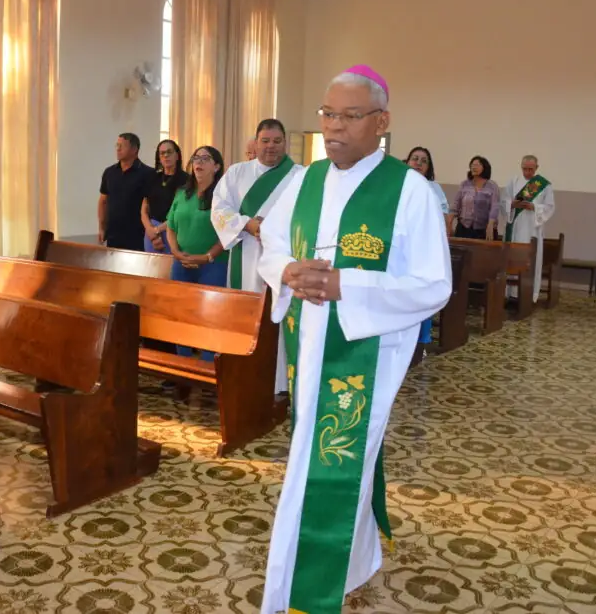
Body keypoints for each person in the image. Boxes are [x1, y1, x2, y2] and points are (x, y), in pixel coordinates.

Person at [257, 65, 451, 614]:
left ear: (381, 122)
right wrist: (288, 270)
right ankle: (359, 555)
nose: (333, 127)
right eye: (327, 114)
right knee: (333, 455)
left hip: (368, 345)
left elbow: (434, 283)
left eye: (349, 116)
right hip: (307, 341)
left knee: (328, 458)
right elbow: (271, 242)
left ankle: (302, 586)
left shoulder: (410, 189)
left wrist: (349, 285)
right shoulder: (305, 179)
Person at [212, 118, 301, 395]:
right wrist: (248, 225)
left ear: (285, 143)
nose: (271, 147)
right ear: (256, 142)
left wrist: (272, 228)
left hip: (283, 261)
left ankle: (278, 383)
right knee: (244, 318)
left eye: (277, 141)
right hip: (244, 255)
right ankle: (243, 377)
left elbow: (309, 216)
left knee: (277, 316)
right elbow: (219, 209)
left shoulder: (301, 175)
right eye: (265, 141)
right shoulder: (237, 173)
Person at [166, 145, 229, 360]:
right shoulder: (183, 193)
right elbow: (171, 226)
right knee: (180, 317)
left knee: (209, 318)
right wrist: (175, 251)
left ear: (217, 166)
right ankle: (182, 367)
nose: (199, 162)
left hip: (213, 265)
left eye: (205, 158)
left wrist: (207, 256)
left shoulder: (223, 196)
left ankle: (209, 370)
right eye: (196, 158)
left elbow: (227, 232)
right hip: (181, 263)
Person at [405, 146, 449, 359]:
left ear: (429, 166)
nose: (419, 163)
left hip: (424, 249)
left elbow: (443, 218)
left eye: (424, 160)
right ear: (407, 161)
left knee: (422, 293)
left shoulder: (433, 188)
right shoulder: (398, 184)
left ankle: (421, 343)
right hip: (402, 250)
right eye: (415, 159)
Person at [502, 154, 555, 302]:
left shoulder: (543, 184)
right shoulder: (514, 181)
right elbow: (503, 200)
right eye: (525, 169)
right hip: (515, 228)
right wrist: (512, 204)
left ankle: (527, 294)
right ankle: (510, 294)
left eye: (531, 169)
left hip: (532, 230)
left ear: (537, 168)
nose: (527, 172)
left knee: (529, 261)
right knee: (513, 259)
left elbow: (550, 207)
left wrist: (534, 207)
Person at [98, 133, 155, 251]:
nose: (118, 149)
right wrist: (102, 228)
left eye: (122, 146)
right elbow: (103, 201)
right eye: (117, 145)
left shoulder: (148, 174)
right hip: (113, 235)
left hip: (137, 236)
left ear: (134, 149)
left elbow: (151, 205)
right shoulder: (110, 172)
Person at [141, 139, 188, 253]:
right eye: (162, 153)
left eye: (169, 152)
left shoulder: (186, 180)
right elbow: (144, 208)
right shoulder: (153, 177)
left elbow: (181, 210)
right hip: (151, 233)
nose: (165, 155)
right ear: (159, 157)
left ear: (177, 155)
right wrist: (149, 229)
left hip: (174, 231)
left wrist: (158, 230)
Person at [449, 155, 500, 240]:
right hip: (464, 229)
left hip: (484, 229)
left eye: (477, 165)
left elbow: (495, 207)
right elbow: (455, 204)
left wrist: (491, 224)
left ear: (485, 167)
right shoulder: (464, 184)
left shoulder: (492, 186)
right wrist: (449, 222)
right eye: (472, 165)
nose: (474, 167)